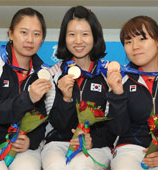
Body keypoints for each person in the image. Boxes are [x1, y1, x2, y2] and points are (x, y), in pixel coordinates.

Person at [41, 5, 128, 170]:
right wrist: (65, 98)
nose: (78, 41)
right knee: (56, 166)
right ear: (63, 38)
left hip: (97, 145)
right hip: (59, 143)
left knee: (82, 165)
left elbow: (117, 126)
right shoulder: (54, 73)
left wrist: (93, 140)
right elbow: (56, 125)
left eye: (85, 34)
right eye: (72, 34)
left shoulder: (108, 73)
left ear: (95, 37)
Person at [107, 16, 158, 170]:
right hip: (132, 149)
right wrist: (117, 94)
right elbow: (119, 130)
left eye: (142, 39)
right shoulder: (121, 78)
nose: (135, 46)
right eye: (128, 42)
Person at [0, 7, 54, 170]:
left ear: (42, 40)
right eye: (24, 32)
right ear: (11, 34)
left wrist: (30, 140)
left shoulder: (45, 74)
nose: (30, 40)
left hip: (25, 146)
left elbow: (47, 119)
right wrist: (28, 98)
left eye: (36, 34)